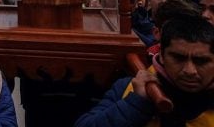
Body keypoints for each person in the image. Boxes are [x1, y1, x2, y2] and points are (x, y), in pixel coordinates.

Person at [74, 16, 214, 127]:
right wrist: (136, 104)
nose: (189, 71)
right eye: (178, 58)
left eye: (201, 61)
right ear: (162, 56)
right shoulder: (129, 88)